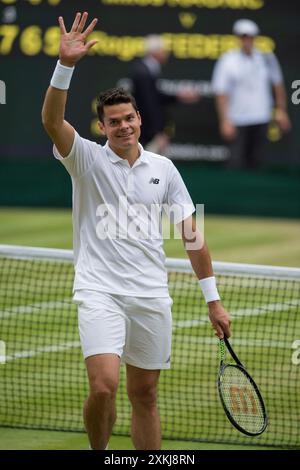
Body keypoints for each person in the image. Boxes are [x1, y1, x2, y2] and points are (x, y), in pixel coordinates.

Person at [42, 12, 231, 450]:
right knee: (104, 385)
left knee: (145, 395)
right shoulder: (85, 159)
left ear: (139, 118)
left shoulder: (164, 169)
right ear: (102, 127)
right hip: (99, 291)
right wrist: (64, 65)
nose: (123, 125)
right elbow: (53, 121)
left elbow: (191, 234)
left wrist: (214, 301)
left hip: (150, 295)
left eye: (129, 118)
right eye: (114, 121)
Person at [212, 19, 291, 169]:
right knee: (236, 163)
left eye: (250, 36)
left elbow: (278, 85)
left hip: (261, 118)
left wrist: (281, 110)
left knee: (257, 163)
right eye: (243, 36)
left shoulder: (267, 58)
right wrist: (225, 120)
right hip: (237, 119)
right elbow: (221, 93)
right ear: (238, 38)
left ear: (254, 38)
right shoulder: (228, 60)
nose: (247, 40)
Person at [130, 35, 198, 154]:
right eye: (163, 50)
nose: (166, 53)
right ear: (155, 52)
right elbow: (149, 104)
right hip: (146, 132)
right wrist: (157, 132)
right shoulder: (143, 72)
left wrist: (179, 96)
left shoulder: (147, 70)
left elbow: (155, 97)